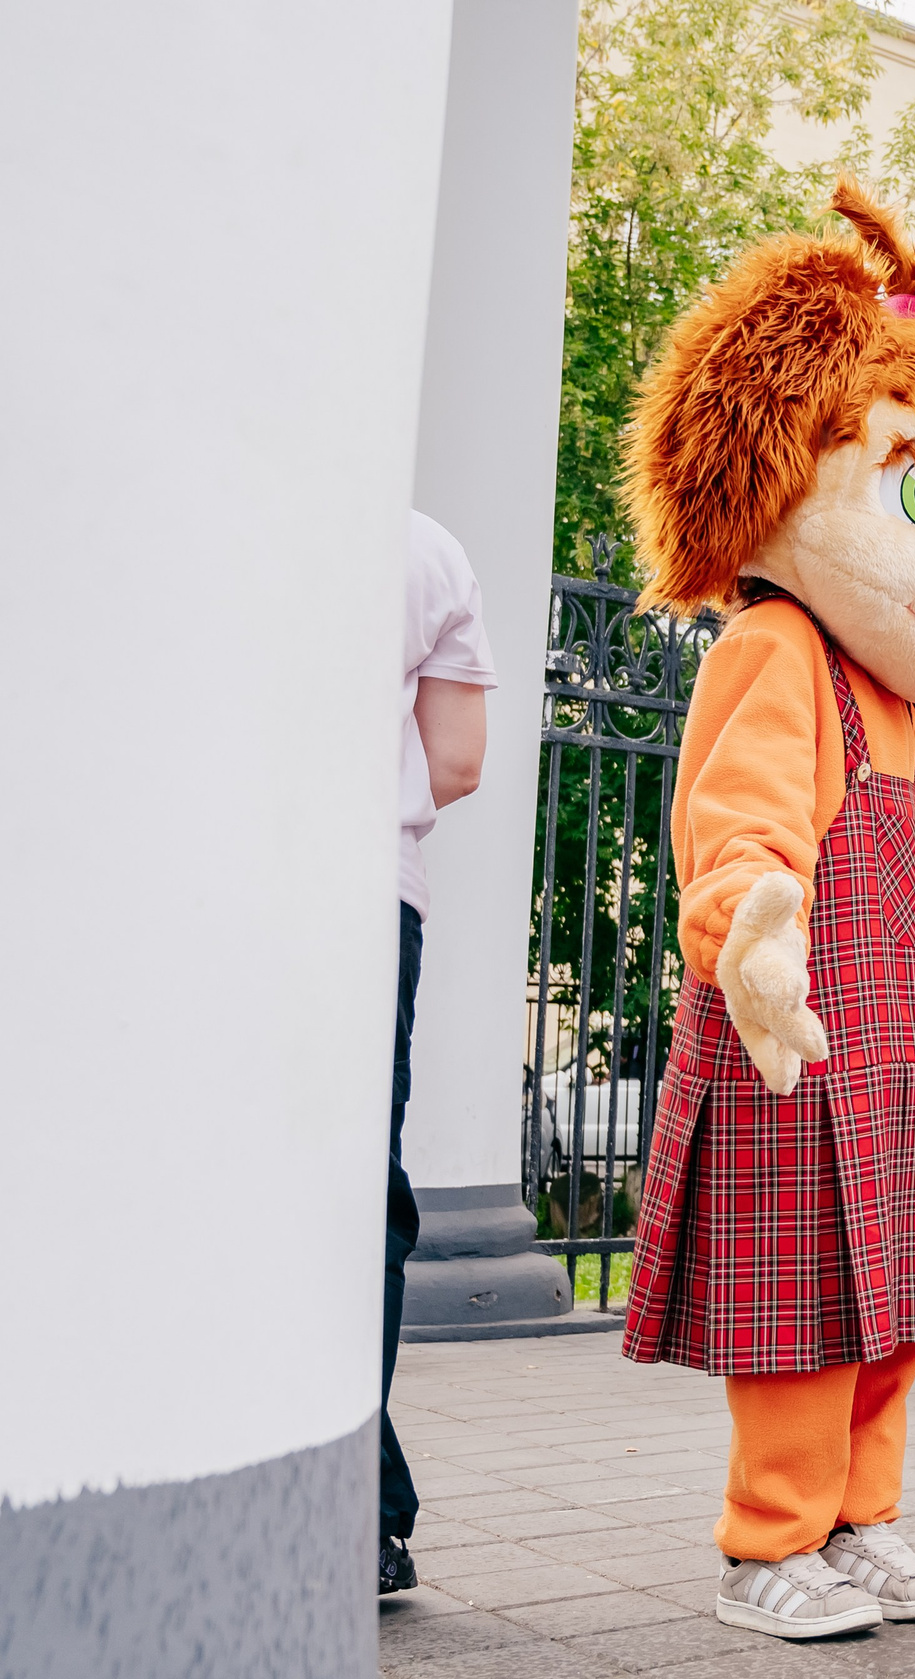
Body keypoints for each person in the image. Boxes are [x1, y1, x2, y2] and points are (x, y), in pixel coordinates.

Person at [617, 167, 915, 1641]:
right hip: (792, 1028)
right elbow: (735, 821)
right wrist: (755, 934)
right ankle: (767, 1545)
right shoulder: (778, 643)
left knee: (898, 1302)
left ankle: (863, 1520)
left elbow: (906, 867)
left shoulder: (893, 703)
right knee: (801, 1309)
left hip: (880, 1037)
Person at [380, 511, 495, 1595]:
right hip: (367, 895)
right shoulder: (419, 549)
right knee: (357, 1193)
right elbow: (455, 762)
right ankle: (358, 1509)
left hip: (195, 880)